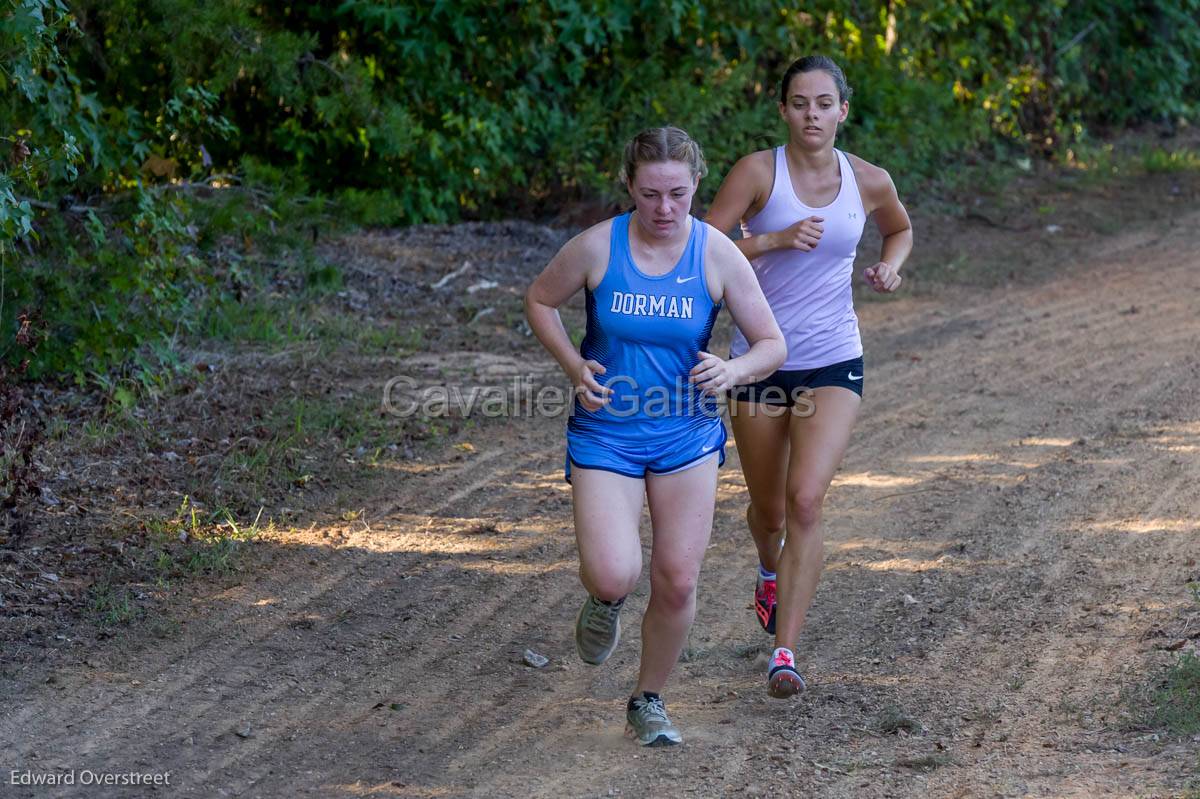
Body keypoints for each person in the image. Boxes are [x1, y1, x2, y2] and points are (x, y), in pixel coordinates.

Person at [525, 127, 786, 745]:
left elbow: (773, 344)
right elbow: (539, 300)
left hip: (686, 434)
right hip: (606, 433)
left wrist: (734, 369)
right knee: (615, 573)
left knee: (678, 578)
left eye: (677, 194)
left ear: (697, 184)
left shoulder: (717, 253)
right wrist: (572, 364)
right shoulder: (597, 247)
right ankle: (604, 601)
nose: (664, 209)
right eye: (649, 195)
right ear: (630, 188)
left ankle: (648, 698)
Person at [706, 56, 913, 699]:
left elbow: (899, 229)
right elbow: (698, 248)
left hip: (833, 358)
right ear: (784, 110)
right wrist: (771, 240)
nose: (813, 115)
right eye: (800, 103)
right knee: (767, 512)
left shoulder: (869, 180)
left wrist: (890, 266)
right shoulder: (757, 173)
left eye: (824, 103)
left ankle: (785, 653)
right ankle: (770, 571)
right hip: (758, 361)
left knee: (805, 500)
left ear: (842, 111)